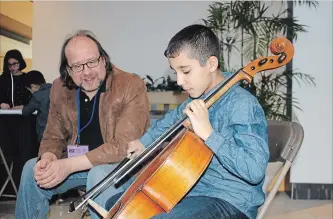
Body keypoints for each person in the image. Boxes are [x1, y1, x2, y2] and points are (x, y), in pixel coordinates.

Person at [106, 24, 269, 219]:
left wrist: (209, 134)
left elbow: (254, 170)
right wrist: (144, 142)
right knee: (117, 205)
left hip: (231, 201)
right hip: (191, 191)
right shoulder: (197, 99)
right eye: (176, 72)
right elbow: (168, 122)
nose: (180, 81)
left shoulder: (243, 104)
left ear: (211, 64)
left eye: (185, 71)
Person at [15, 30, 150, 219]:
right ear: (68, 70)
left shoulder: (130, 84)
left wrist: (69, 166)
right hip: (77, 166)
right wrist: (48, 157)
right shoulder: (60, 88)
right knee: (32, 169)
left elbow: (124, 146)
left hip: (119, 167)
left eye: (92, 62)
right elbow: (53, 135)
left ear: (103, 59)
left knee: (98, 174)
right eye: (77, 66)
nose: (86, 72)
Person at [22, 70, 52, 143]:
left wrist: (23, 106)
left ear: (33, 86)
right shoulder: (55, 89)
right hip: (60, 131)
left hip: (45, 132)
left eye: (29, 90)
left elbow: (26, 112)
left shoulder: (37, 96)